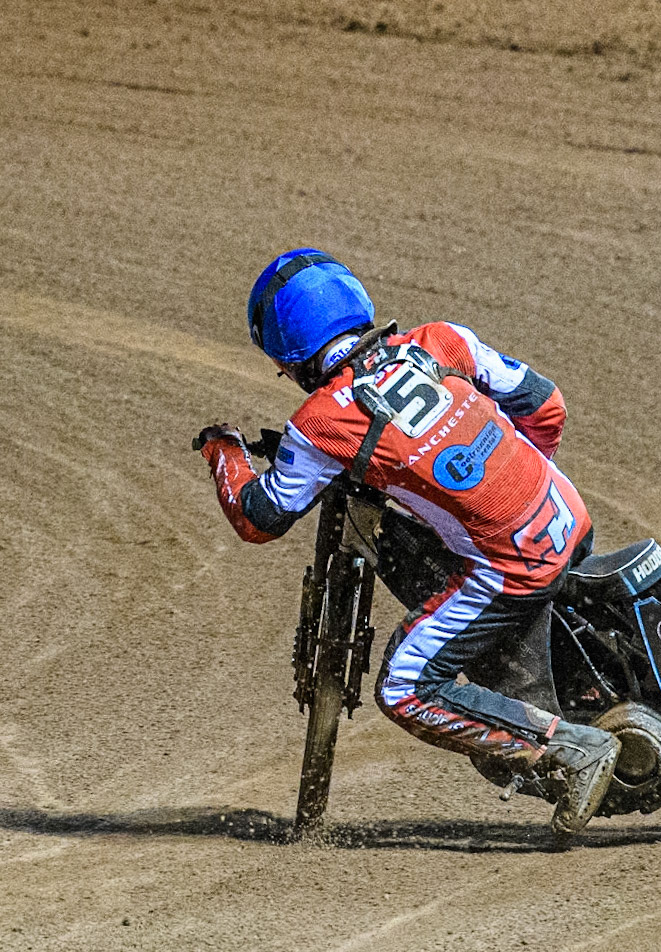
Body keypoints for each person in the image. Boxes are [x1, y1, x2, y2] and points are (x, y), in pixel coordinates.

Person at [194, 248, 620, 834]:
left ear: (290, 358)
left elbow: (258, 518)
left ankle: (573, 749)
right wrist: (508, 485)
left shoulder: (321, 423)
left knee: (404, 687)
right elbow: (546, 406)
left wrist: (225, 450)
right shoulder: (443, 341)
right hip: (567, 513)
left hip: (515, 567)